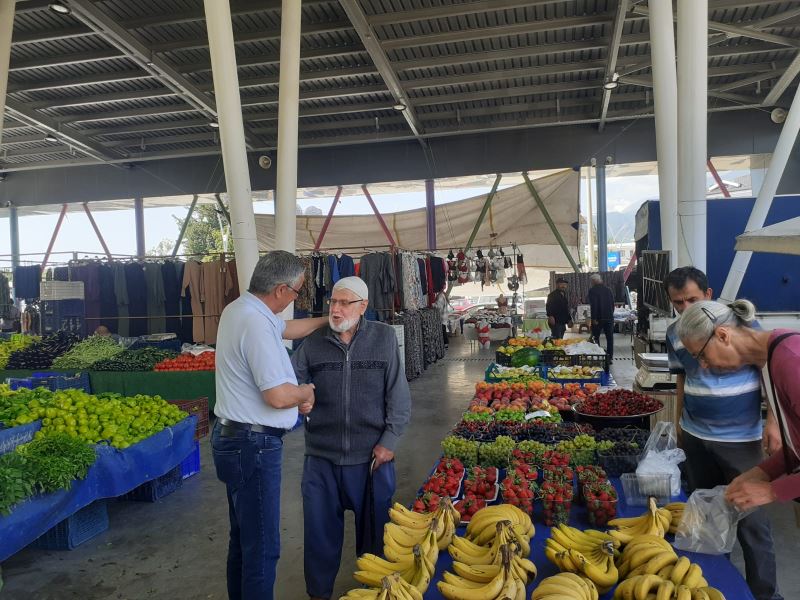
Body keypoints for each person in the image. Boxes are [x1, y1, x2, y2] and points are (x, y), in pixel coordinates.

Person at [212, 251, 328, 600]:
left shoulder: (242, 310)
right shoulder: (255, 323)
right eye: (296, 293)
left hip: (233, 439)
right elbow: (277, 396)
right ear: (280, 289)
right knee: (263, 547)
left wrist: (328, 320)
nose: (295, 299)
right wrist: (305, 391)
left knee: (244, 541)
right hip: (254, 446)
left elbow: (289, 328)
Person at [291, 276, 411, 600]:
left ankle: (375, 593)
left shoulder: (384, 338)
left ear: (363, 306)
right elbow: (290, 381)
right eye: (333, 302)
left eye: (345, 303)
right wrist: (300, 399)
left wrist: (390, 439)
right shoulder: (314, 342)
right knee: (319, 539)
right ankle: (319, 595)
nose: (337, 309)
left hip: (371, 458)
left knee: (375, 541)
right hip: (321, 459)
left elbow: (398, 396)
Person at [665, 269, 782, 600]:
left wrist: (772, 420)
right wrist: (678, 424)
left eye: (692, 299)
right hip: (695, 435)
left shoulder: (739, 323)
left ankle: (766, 594)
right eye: (678, 302)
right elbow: (682, 379)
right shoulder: (676, 333)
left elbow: (768, 369)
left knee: (752, 522)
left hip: (740, 441)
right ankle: (714, 588)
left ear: (709, 293)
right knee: (707, 516)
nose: (686, 308)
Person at [677, 300, 800, 511]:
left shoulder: (790, 360)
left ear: (723, 335)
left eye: (702, 355)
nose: (703, 365)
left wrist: (773, 490)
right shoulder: (769, 360)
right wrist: (762, 472)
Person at [587, 274, 615, 358]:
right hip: (609, 317)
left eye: (591, 281)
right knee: (610, 338)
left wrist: (594, 318)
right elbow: (612, 304)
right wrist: (610, 314)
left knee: (595, 338)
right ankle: (609, 357)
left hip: (598, 319)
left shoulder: (592, 291)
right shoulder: (608, 290)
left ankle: (598, 356)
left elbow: (594, 305)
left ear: (593, 281)